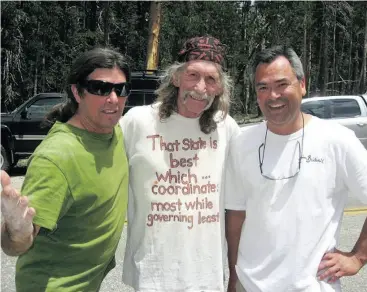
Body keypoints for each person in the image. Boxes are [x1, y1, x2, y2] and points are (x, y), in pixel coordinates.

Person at [224, 45, 367, 292]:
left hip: (313, 287)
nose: (273, 96)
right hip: (250, 286)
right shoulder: (241, 143)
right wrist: (233, 279)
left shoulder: (337, 140)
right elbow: (236, 217)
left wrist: (358, 257)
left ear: (302, 84)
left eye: (282, 85)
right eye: (263, 87)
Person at [1, 47, 131, 291]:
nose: (113, 98)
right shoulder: (57, 157)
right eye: (100, 88)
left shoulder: (114, 133)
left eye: (120, 89)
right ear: (77, 92)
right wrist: (16, 229)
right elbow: (16, 245)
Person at [119, 36, 240, 291]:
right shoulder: (137, 122)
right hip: (152, 274)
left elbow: (241, 203)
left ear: (220, 88)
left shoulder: (226, 128)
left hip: (207, 276)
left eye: (211, 79)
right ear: (175, 78)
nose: (200, 87)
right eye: (193, 75)